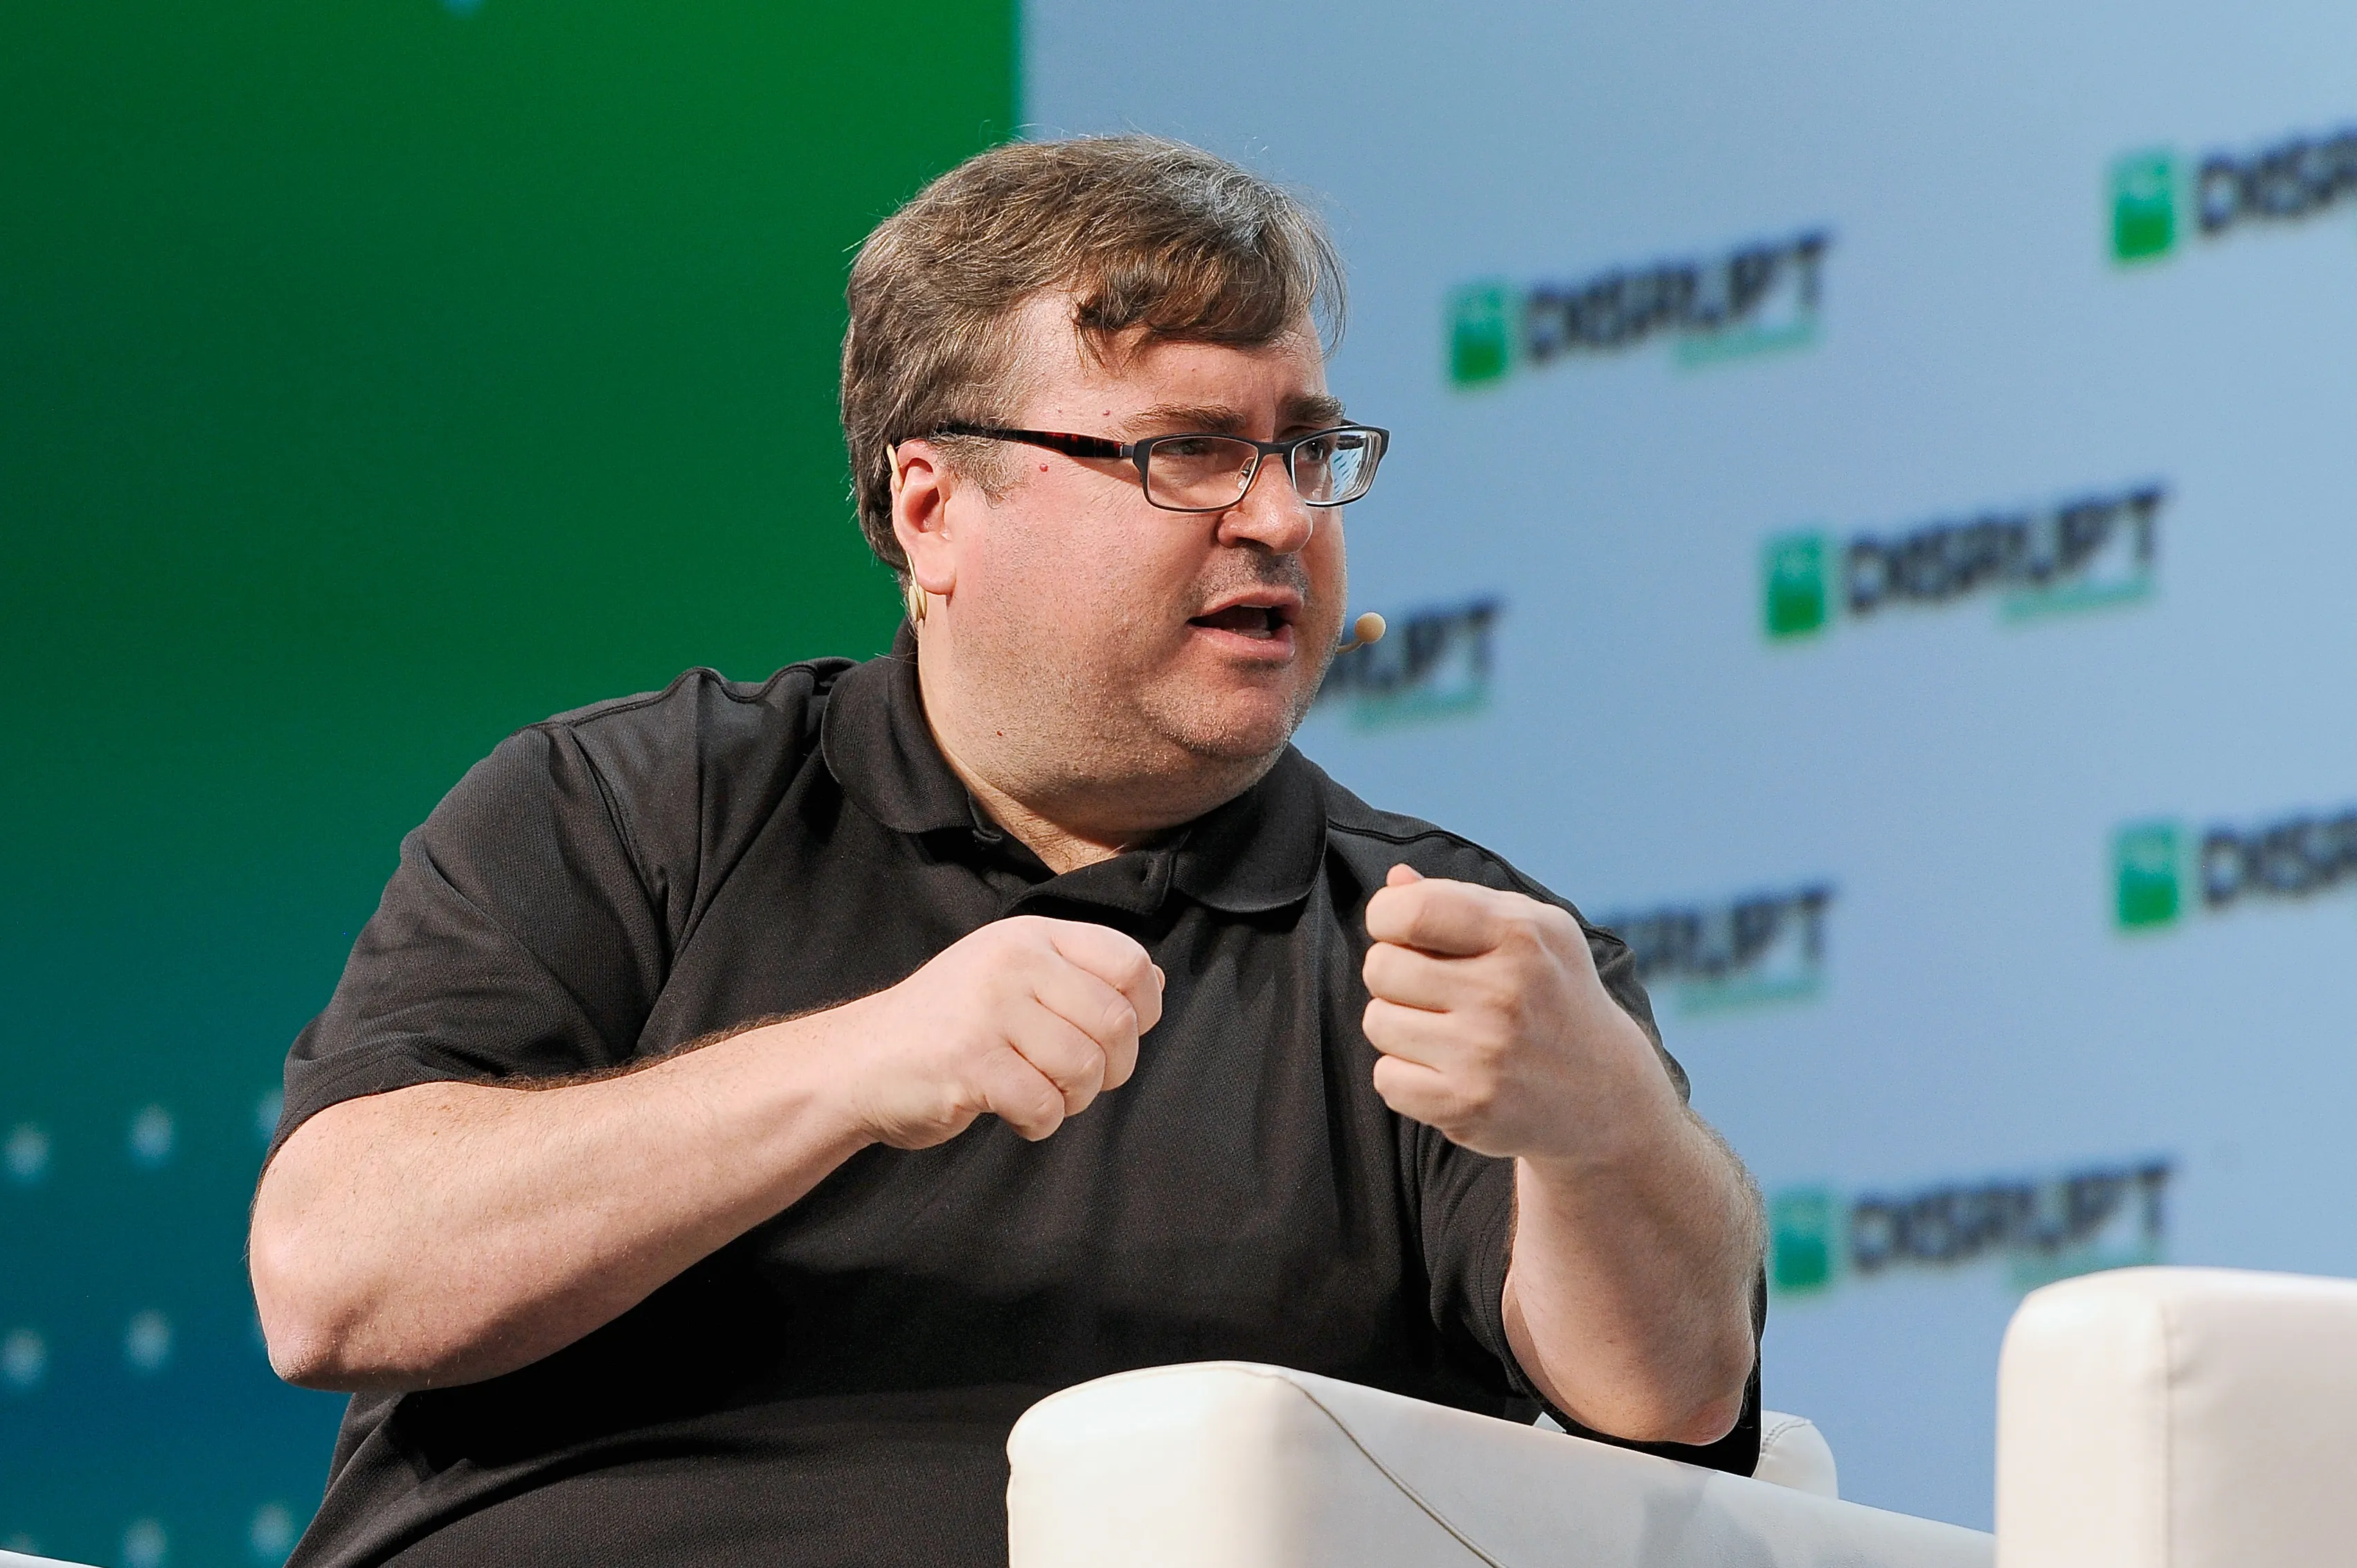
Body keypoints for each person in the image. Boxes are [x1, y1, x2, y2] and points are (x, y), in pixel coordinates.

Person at [249, 134, 1765, 1568]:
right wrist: (846, 1068)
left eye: (1305, 451)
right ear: (932, 507)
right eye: (1185, 451)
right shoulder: (626, 805)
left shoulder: (1441, 938)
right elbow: (335, 1274)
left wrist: (1606, 1131)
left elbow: (1677, 1394)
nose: (1276, 519)